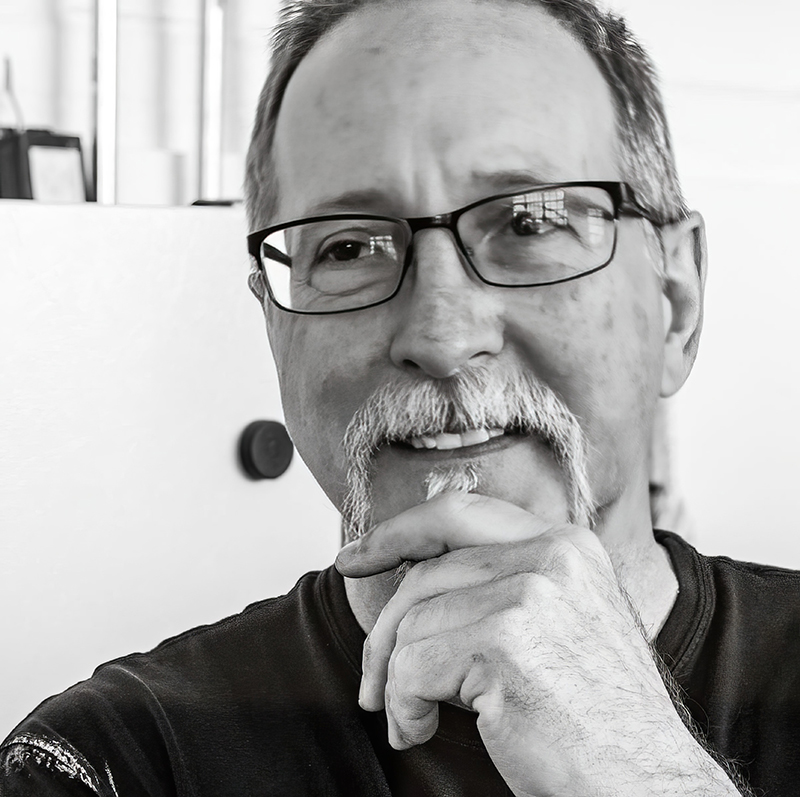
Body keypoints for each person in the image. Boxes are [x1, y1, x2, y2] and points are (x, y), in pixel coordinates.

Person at [2, 0, 799, 794]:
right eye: (349, 246)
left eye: (530, 222)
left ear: (676, 302)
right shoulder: (111, 763)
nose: (442, 335)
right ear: (274, 327)